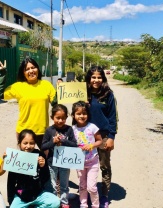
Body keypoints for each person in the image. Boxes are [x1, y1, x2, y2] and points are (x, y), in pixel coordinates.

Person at [0, 57, 56, 149]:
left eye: (33, 67)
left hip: (43, 131)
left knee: (46, 160)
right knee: (27, 161)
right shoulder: (18, 87)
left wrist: (61, 90)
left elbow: (56, 103)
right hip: (24, 132)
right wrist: (2, 74)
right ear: (23, 73)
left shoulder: (46, 85)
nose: (31, 71)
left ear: (38, 69)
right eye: (27, 69)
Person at [85, 66, 118, 208]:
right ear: (89, 78)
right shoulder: (82, 93)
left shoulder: (108, 95)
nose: (96, 80)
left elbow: (113, 117)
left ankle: (104, 195)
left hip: (103, 136)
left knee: (104, 166)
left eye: (99, 77)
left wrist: (111, 137)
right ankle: (86, 192)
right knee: (84, 166)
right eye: (93, 77)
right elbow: (69, 108)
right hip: (85, 137)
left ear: (103, 79)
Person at [7, 129, 60, 208]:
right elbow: (11, 182)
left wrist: (43, 167)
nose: (28, 146)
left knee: (55, 202)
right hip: (21, 194)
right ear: (19, 143)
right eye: (25, 143)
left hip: (38, 193)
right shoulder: (15, 158)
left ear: (35, 143)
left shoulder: (39, 155)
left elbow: (45, 178)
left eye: (31, 143)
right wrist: (10, 200)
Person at [41, 104, 77, 208]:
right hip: (52, 162)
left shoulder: (69, 130)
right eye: (58, 118)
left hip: (65, 162)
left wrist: (64, 140)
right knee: (52, 184)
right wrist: (53, 141)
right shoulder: (49, 130)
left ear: (66, 118)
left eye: (63, 118)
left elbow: (74, 145)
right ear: (52, 117)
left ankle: (64, 202)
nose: (60, 121)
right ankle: (54, 202)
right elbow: (43, 146)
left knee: (64, 184)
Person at [71, 101, 103, 208]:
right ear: (73, 115)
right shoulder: (72, 129)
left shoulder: (92, 127)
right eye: (78, 114)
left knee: (92, 187)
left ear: (88, 115)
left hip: (92, 161)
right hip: (79, 163)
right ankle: (83, 204)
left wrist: (92, 145)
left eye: (84, 113)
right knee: (82, 186)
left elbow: (100, 141)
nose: (82, 116)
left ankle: (95, 205)